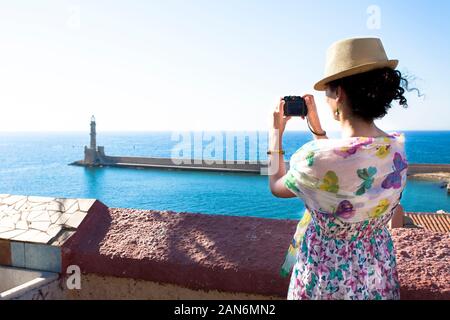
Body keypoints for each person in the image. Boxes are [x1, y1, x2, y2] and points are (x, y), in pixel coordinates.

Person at [269, 37, 413, 300]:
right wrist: (318, 129)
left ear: (340, 94)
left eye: (328, 92)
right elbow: (340, 170)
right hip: (376, 273)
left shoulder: (312, 158)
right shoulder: (396, 150)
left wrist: (275, 136)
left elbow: (278, 186)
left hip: (325, 278)